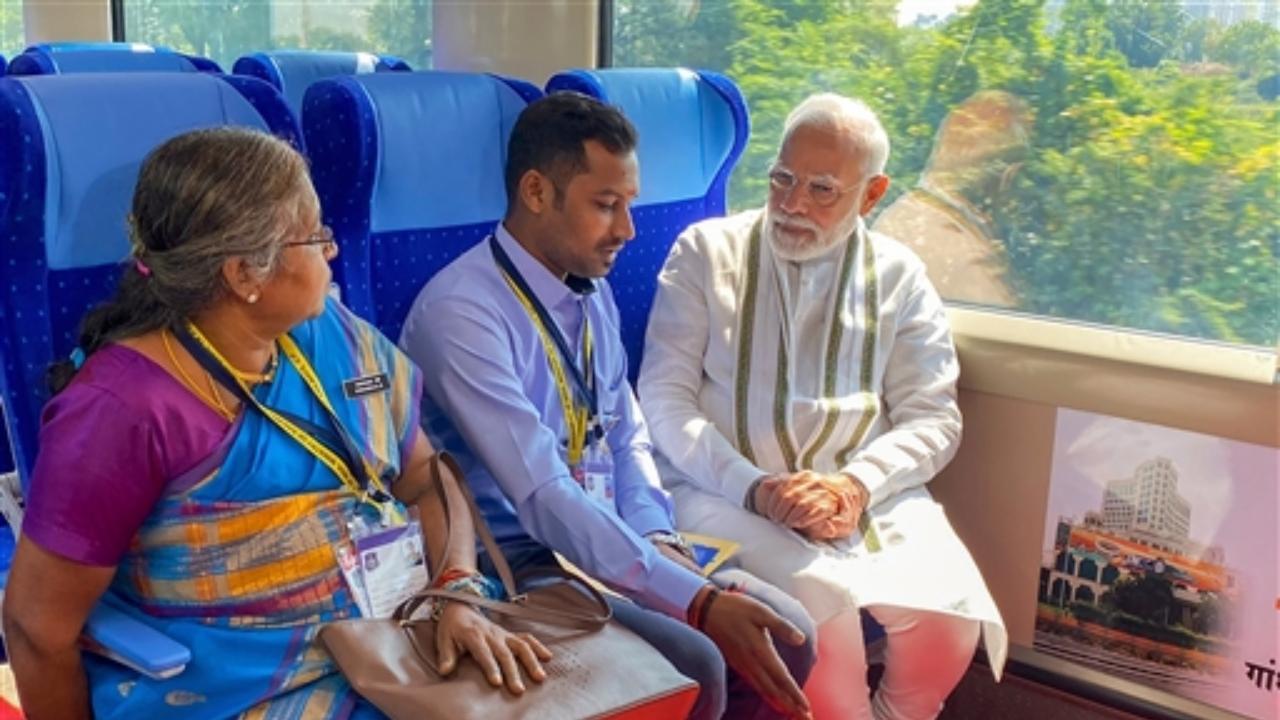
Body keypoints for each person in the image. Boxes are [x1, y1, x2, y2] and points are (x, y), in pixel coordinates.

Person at [2, 128, 549, 720]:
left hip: (406, 644)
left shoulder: (336, 338)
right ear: (244, 276)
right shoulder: (120, 410)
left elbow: (426, 480)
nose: (333, 251)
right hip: (246, 695)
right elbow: (35, 629)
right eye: (315, 235)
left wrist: (458, 590)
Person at [400, 92, 816, 720]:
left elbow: (625, 436)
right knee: (697, 658)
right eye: (606, 205)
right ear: (537, 192)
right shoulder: (461, 313)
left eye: (629, 204)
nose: (627, 230)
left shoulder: (589, 289)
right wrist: (691, 597)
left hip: (604, 536)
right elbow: (541, 492)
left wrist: (655, 536)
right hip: (515, 561)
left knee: (792, 630)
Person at [638, 93, 1008, 720]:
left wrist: (853, 487)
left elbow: (933, 417)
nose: (792, 204)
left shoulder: (900, 275)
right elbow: (663, 399)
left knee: (950, 620)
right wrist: (756, 488)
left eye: (821, 189)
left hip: (864, 488)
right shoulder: (705, 252)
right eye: (782, 179)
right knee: (822, 614)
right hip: (723, 487)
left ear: (872, 194)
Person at [872, 90, 1032, 306]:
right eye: (1018, 171)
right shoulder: (960, 255)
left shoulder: (904, 217)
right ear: (1006, 176)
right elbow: (1014, 334)